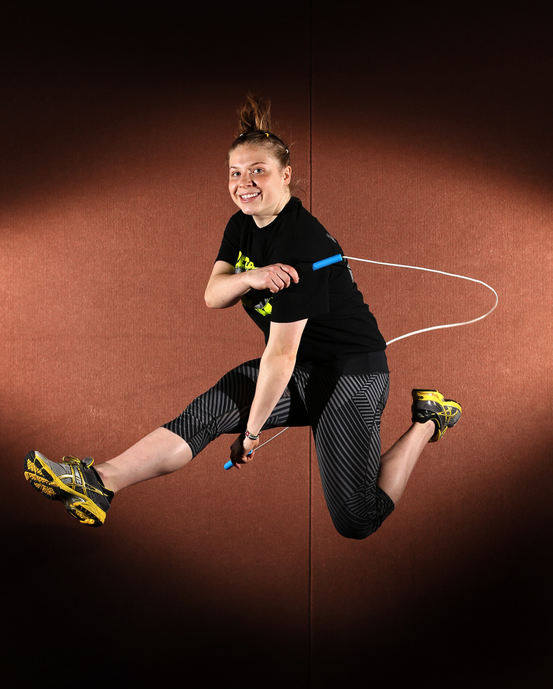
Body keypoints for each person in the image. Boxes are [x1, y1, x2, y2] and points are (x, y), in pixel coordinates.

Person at [23, 95, 462, 539]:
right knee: (204, 415)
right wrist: (250, 280)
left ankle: (429, 419)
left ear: (285, 175)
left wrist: (251, 434)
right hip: (300, 369)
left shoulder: (301, 246)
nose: (244, 183)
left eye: (258, 171)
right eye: (236, 173)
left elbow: (280, 357)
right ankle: (99, 483)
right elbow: (215, 295)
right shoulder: (242, 224)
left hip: (351, 375)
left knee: (356, 520)